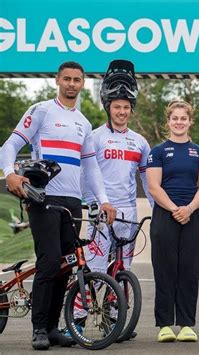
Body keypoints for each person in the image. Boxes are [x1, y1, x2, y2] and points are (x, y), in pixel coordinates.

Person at [0, 61, 116, 350]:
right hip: (43, 198)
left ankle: (53, 328)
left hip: (72, 202)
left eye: (77, 79)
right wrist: (9, 174)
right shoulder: (41, 110)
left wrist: (103, 200)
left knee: (65, 267)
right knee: (50, 262)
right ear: (57, 81)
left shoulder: (84, 123)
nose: (72, 84)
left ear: (82, 83)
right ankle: (38, 328)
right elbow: (9, 146)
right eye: (67, 79)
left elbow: (90, 168)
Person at [147, 100, 199, 342]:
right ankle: (164, 325)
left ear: (190, 121)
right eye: (175, 118)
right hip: (166, 214)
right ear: (169, 121)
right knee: (164, 270)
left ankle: (186, 324)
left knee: (189, 270)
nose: (179, 122)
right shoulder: (158, 152)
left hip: (193, 215)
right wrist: (176, 209)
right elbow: (154, 187)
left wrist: (190, 209)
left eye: (183, 118)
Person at [82, 59, 153, 276]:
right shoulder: (95, 137)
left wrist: (156, 208)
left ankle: (115, 311)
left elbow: (147, 180)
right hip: (102, 212)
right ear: (108, 107)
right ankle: (79, 311)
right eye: (117, 107)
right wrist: (92, 204)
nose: (122, 112)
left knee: (123, 270)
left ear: (131, 109)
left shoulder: (140, 142)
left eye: (126, 107)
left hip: (128, 212)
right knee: (96, 270)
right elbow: (85, 175)